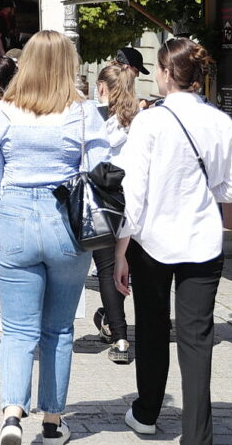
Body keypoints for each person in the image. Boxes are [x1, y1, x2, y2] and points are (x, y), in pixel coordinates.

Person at [0, 30, 109, 445]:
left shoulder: (1, 113)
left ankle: (12, 414)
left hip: (14, 215)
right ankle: (52, 420)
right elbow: (102, 170)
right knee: (59, 329)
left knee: (16, 328)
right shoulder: (86, 113)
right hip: (66, 219)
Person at [112, 38, 232, 445]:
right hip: (203, 241)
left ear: (169, 74)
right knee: (196, 339)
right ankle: (197, 436)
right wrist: (207, 189)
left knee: (152, 329)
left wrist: (121, 248)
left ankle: (147, 412)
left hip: (152, 240)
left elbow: (132, 193)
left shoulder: (150, 121)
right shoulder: (220, 121)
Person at [90, 63, 140, 364]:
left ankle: (119, 335)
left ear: (101, 88)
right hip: (137, 202)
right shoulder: (143, 120)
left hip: (103, 202)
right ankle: (116, 324)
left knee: (108, 270)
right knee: (128, 267)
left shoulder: (95, 120)